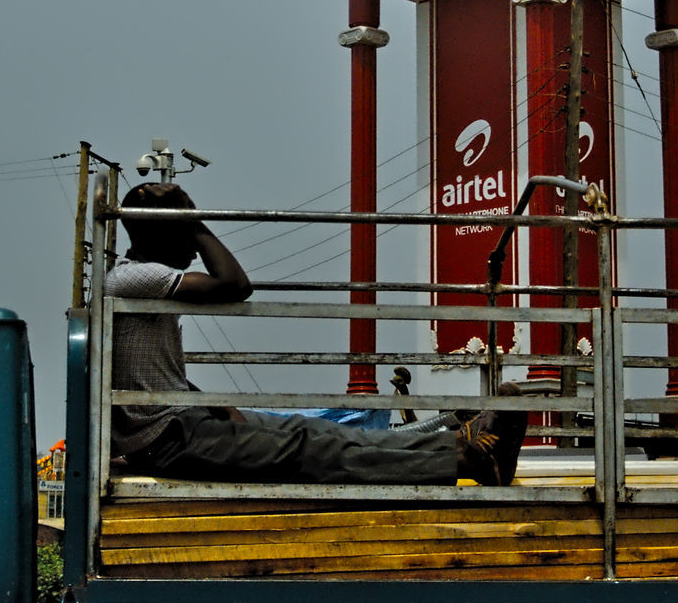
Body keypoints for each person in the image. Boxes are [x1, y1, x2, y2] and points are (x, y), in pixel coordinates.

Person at [106, 182, 527, 486]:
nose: (196, 246)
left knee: (319, 431)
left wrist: (208, 402)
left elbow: (153, 375)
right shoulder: (133, 279)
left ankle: (462, 446)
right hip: (167, 440)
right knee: (307, 448)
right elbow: (235, 284)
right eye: (185, 232)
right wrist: (193, 220)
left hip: (184, 423)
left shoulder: (143, 281)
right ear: (160, 234)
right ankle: (464, 459)